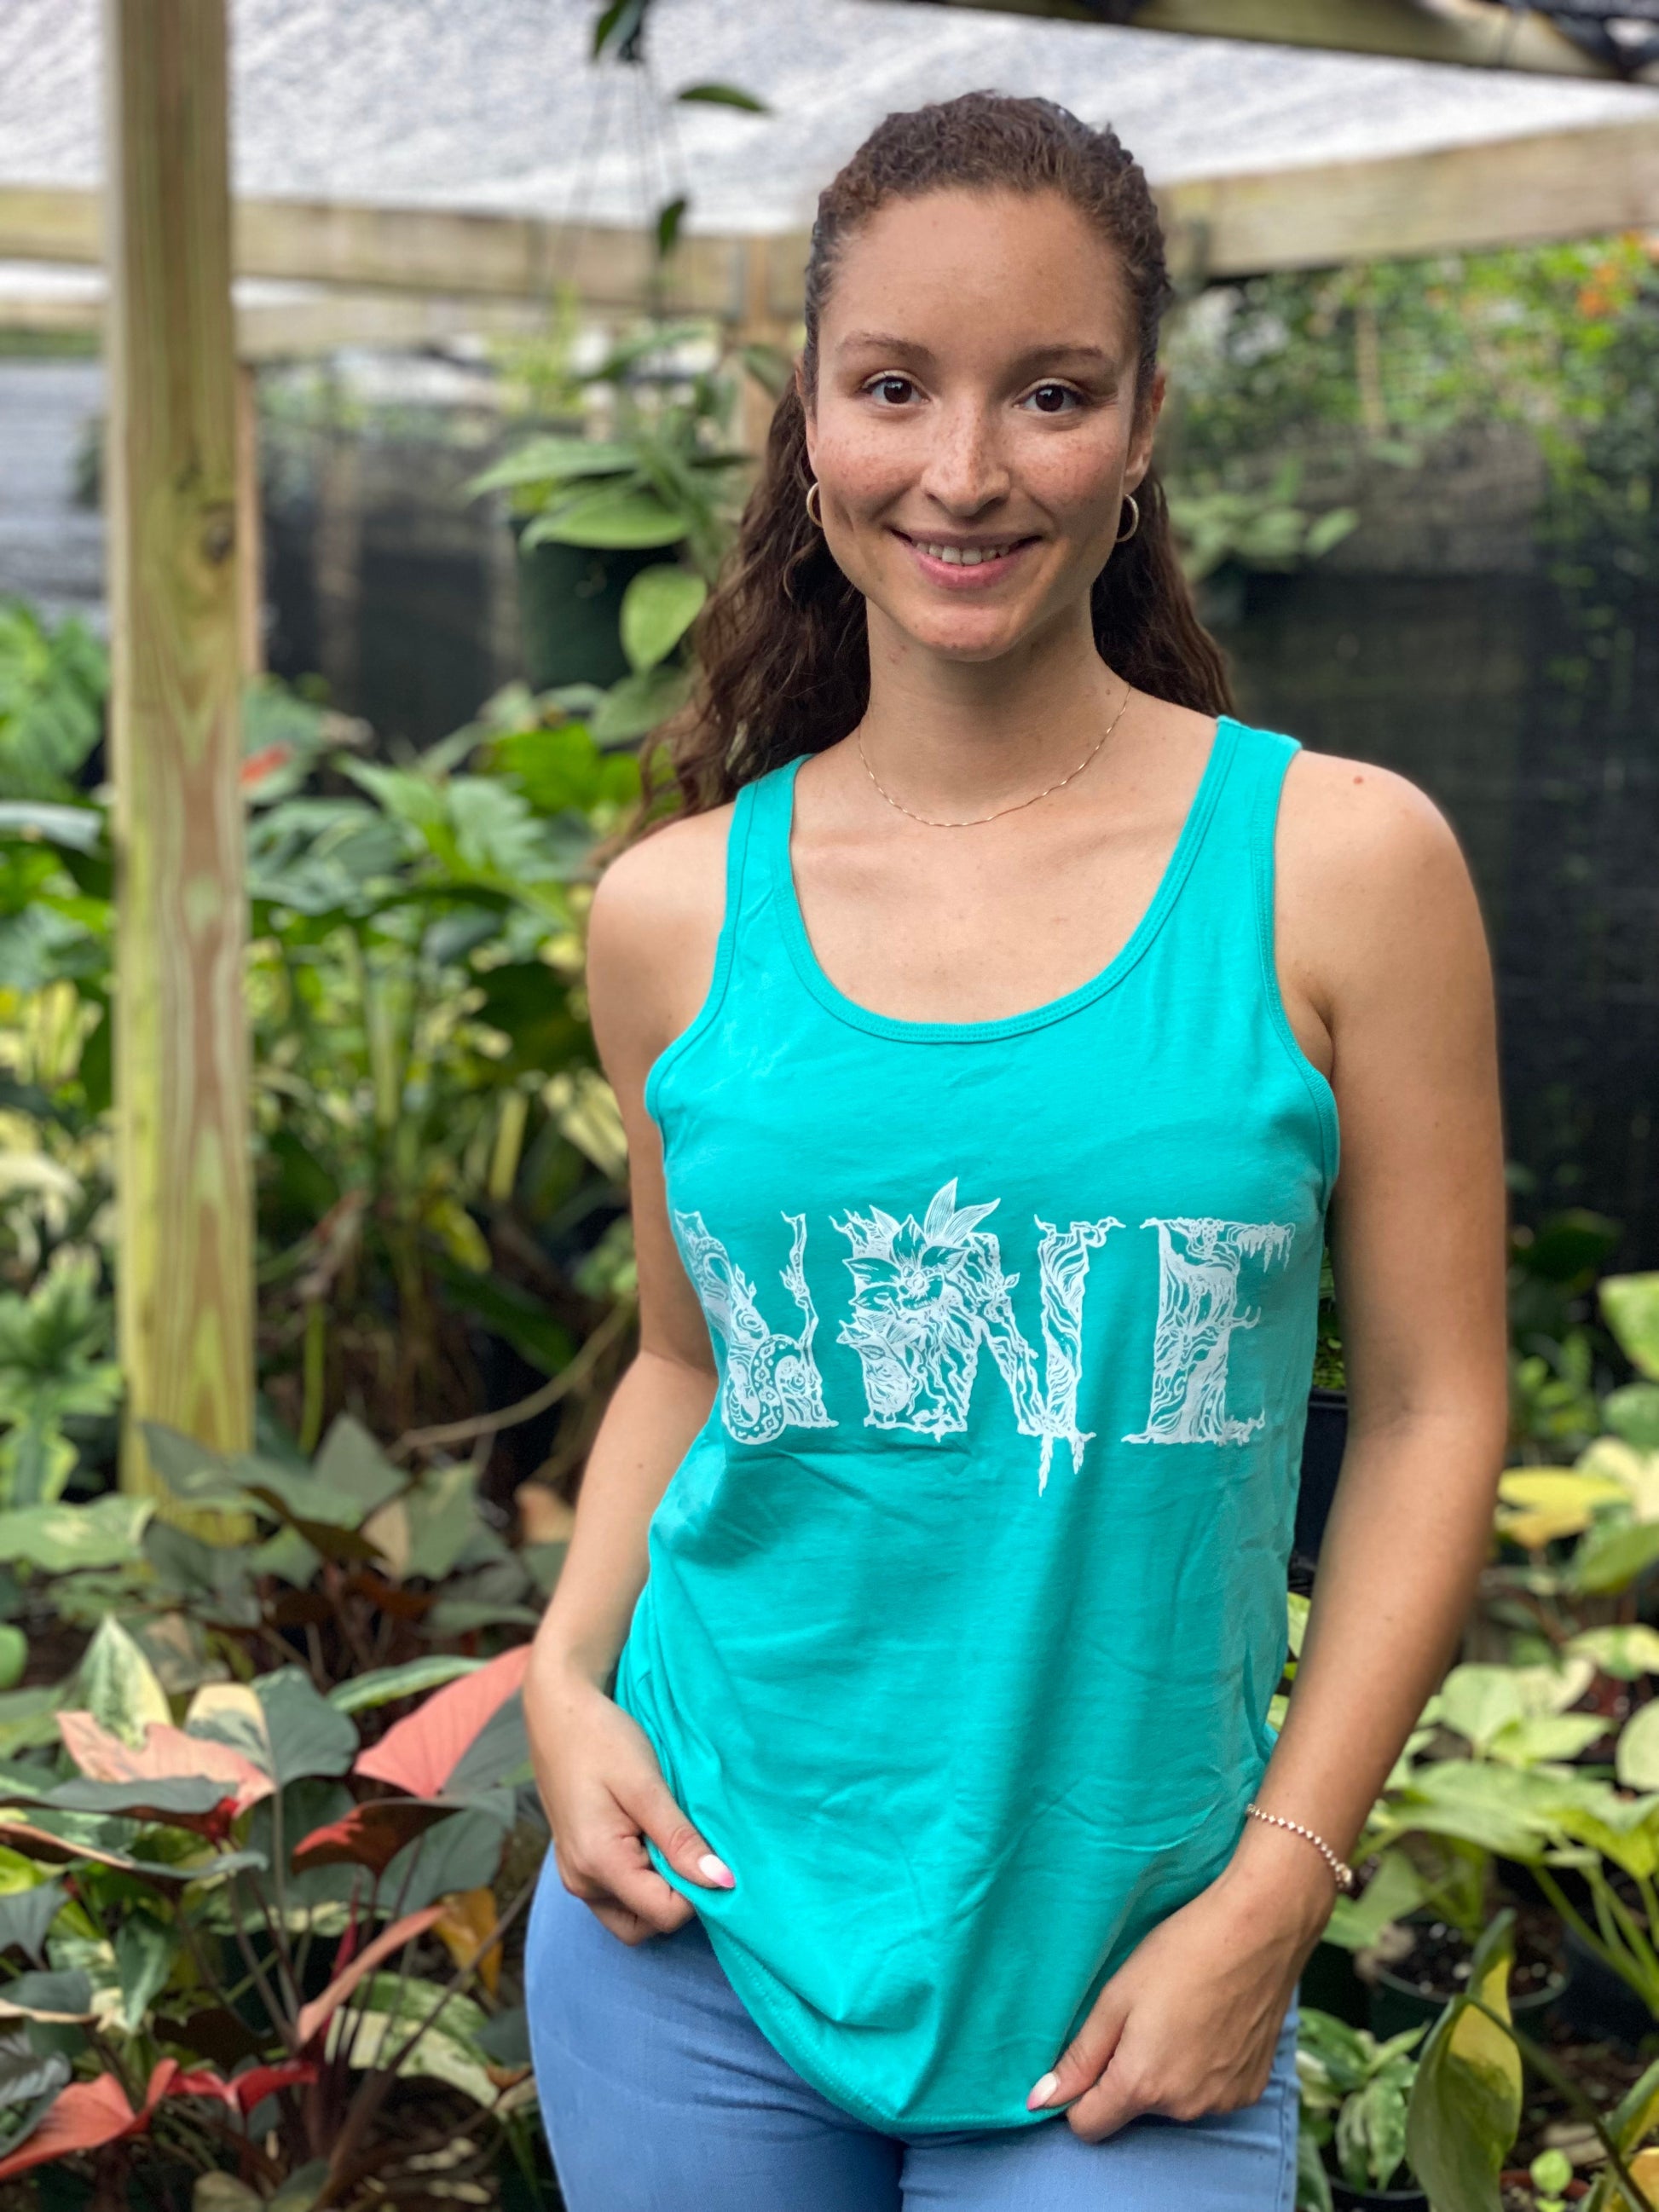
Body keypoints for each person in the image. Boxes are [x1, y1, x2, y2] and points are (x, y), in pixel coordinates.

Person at [520, 90, 1509, 2212]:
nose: (962, 472)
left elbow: (1434, 1407)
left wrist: (1273, 1894)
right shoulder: (671, 913)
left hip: (1124, 1987)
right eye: (894, 387)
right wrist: (558, 1671)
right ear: (807, 420)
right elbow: (688, 1369)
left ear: (1142, 422)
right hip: (683, 1933)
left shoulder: (1339, 867)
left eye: (1048, 393)